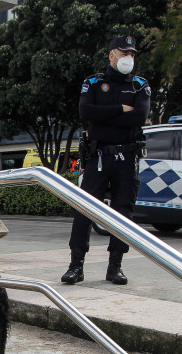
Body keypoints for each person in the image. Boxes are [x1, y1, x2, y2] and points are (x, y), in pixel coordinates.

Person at [61, 35, 151, 286]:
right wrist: (121, 109)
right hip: (98, 155)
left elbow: (139, 117)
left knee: (123, 213)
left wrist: (104, 116)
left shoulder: (140, 85)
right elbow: (85, 113)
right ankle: (75, 266)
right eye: (124, 54)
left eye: (132, 54)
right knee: (85, 209)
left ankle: (115, 267)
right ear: (111, 55)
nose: (129, 59)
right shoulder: (92, 83)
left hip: (127, 156)